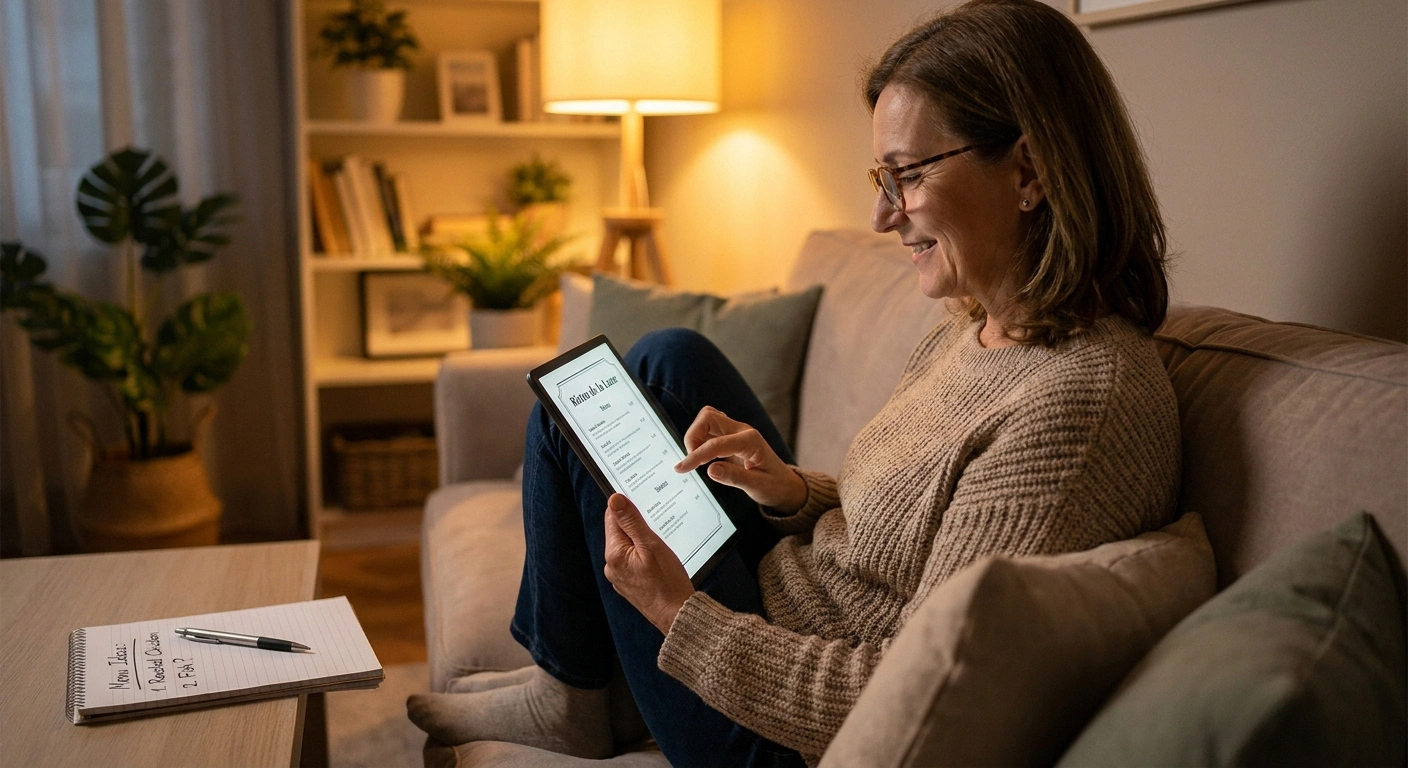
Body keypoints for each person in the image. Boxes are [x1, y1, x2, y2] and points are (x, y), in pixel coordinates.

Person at [407, 0, 1181, 764]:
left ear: (1029, 171)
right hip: (783, 605)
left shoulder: (1076, 405)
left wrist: (675, 611)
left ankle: (571, 695)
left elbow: (907, 696)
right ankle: (585, 683)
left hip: (778, 731)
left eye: (907, 174)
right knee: (667, 357)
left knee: (566, 422)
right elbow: (908, 533)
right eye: (883, 175)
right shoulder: (975, 328)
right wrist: (790, 491)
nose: (883, 216)